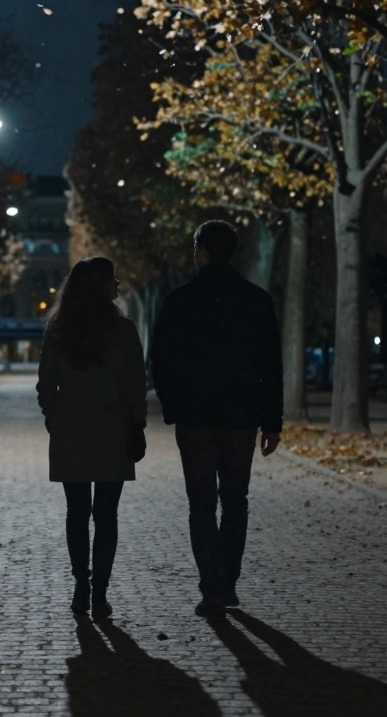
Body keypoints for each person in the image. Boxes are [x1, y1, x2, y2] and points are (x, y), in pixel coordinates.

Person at [150, 220, 283, 617]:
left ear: (202, 250)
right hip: (241, 417)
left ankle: (212, 584)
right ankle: (228, 580)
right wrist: (271, 421)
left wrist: (173, 407)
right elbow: (270, 366)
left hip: (195, 417)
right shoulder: (256, 300)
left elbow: (161, 360)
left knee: (201, 502)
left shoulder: (180, 301)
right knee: (236, 500)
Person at [37, 257, 148, 619]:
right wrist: (138, 425)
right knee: (106, 515)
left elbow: (46, 383)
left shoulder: (59, 330)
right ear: (100, 286)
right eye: (112, 279)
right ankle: (100, 590)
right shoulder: (124, 330)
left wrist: (54, 417)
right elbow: (136, 385)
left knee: (77, 512)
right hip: (113, 429)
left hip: (71, 429)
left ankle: (81, 586)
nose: (118, 285)